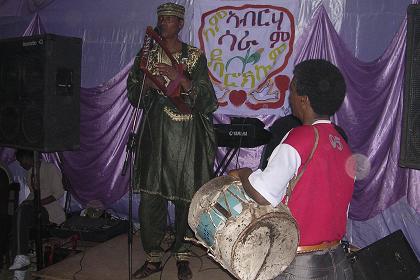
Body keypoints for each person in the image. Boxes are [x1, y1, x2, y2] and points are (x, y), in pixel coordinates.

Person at [229, 59, 355, 279]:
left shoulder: (301, 137)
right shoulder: (342, 145)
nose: (290, 97)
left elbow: (262, 194)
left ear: (304, 100)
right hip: (338, 262)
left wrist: (243, 173)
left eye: (293, 91)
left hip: (302, 264)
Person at [126, 3, 218, 279]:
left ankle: (182, 255)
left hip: (187, 138)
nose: (164, 23)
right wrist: (149, 85)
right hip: (154, 136)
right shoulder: (146, 56)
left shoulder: (193, 56)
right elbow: (133, 93)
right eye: (161, 19)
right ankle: (153, 257)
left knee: (184, 197)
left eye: (170, 19)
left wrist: (181, 80)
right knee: (150, 198)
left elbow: (207, 97)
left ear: (180, 24)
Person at [8, 149, 65, 280]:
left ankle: (21, 260)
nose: (21, 165)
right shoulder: (30, 173)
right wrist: (27, 203)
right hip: (36, 211)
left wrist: (36, 203)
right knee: (17, 218)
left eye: (22, 161)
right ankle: (19, 268)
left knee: (23, 211)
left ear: (30, 157)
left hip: (50, 213)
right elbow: (33, 195)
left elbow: (59, 193)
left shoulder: (50, 168)